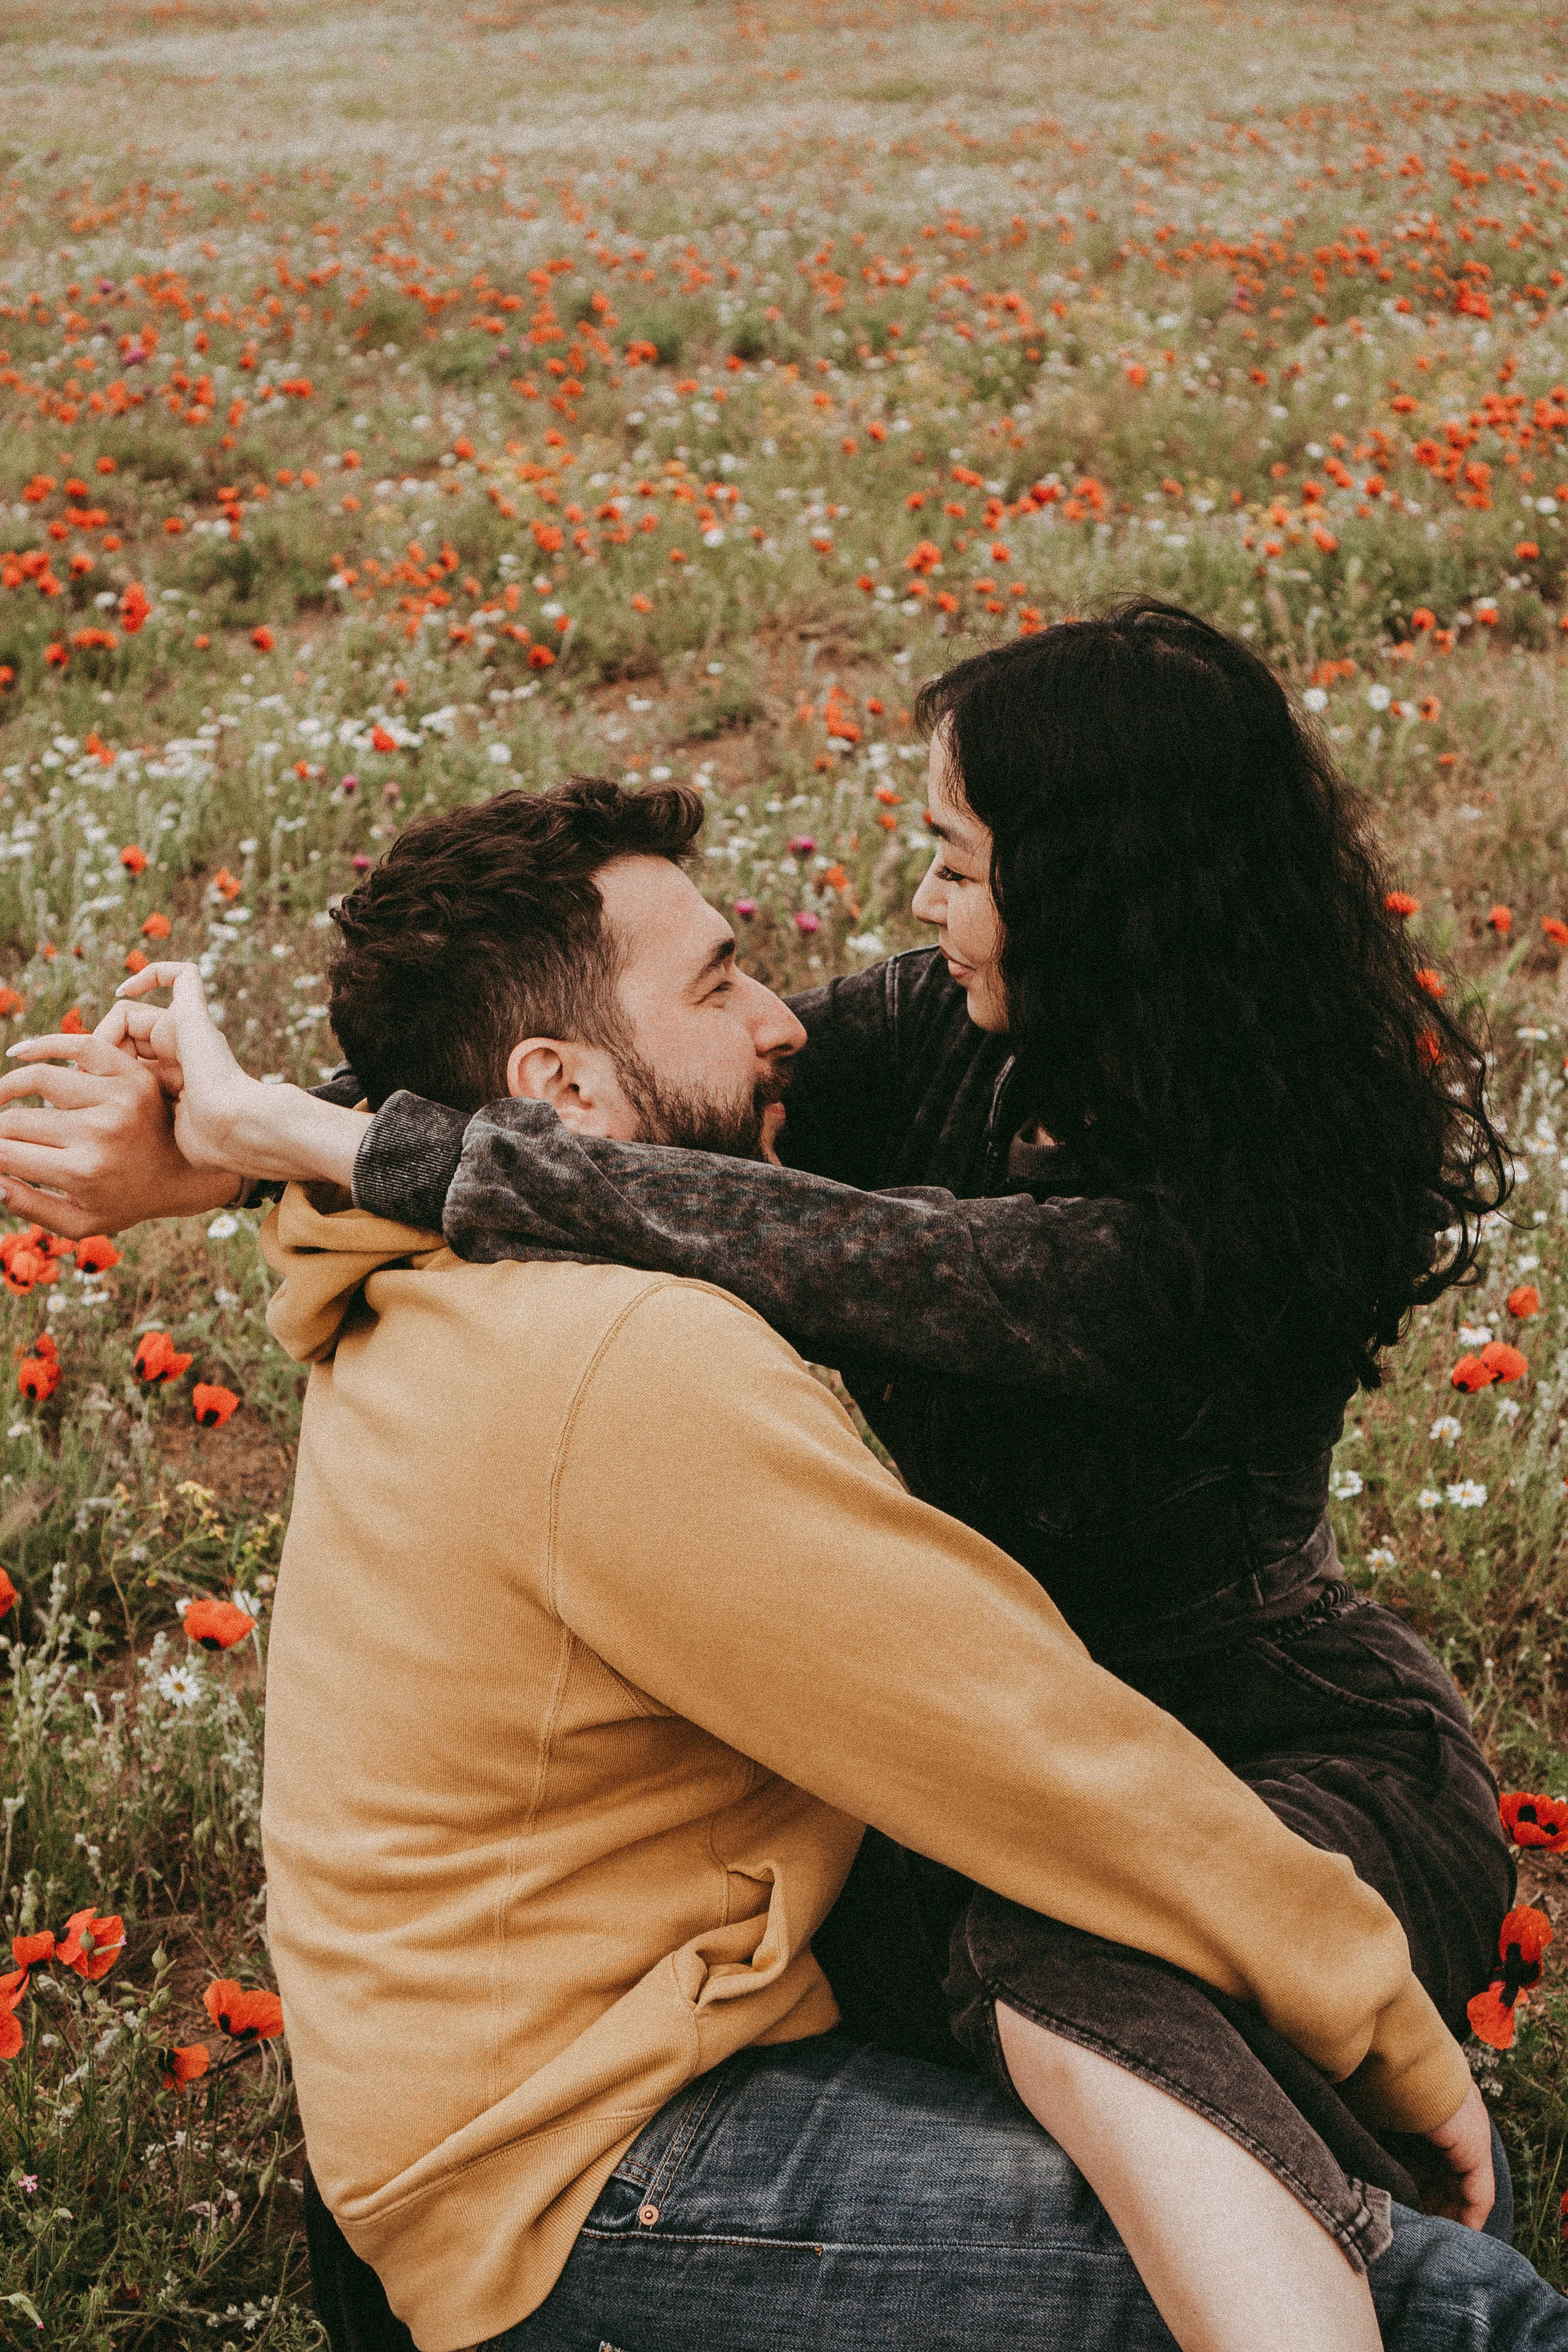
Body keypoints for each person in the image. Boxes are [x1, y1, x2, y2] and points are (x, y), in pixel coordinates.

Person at [17, 780, 1567, 2352]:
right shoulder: (615, 1360)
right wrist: (1389, 2029)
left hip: (548, 2081)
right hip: (593, 2169)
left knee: (1253, 2174)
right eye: (718, 985)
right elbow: (1021, 1742)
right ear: (557, 1090)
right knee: (1442, 2311)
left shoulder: (441, 1273)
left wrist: (255, 1138)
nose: (780, 1023)